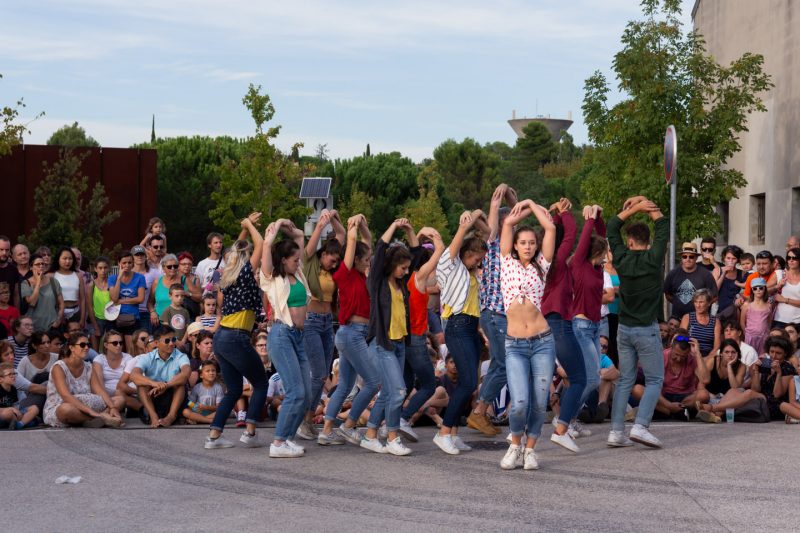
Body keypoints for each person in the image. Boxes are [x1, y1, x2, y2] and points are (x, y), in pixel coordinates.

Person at [496, 198, 557, 469]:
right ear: (515, 245)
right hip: (515, 345)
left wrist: (533, 205)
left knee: (540, 402)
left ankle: (530, 449)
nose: (528, 247)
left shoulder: (542, 264)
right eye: (523, 242)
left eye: (532, 242)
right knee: (519, 402)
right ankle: (515, 445)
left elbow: (551, 228)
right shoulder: (506, 261)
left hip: (542, 341)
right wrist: (523, 207)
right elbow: (508, 222)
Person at [204, 213, 269, 449]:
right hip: (236, 337)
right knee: (261, 384)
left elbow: (233, 250)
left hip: (221, 337)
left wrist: (244, 227)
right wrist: (249, 224)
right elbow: (261, 243)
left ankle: (214, 437)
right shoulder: (244, 273)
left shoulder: (227, 277)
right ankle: (250, 433)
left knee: (233, 390)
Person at [607, 195, 668, 448]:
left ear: (630, 242)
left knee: (625, 380)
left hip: (623, 329)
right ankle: (641, 426)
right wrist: (647, 205)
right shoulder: (654, 259)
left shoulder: (621, 258)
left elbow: (612, 227)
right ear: (648, 241)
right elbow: (663, 225)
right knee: (654, 380)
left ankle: (616, 432)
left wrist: (633, 209)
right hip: (646, 329)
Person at [360, 217, 423, 456]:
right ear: (391, 265)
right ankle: (393, 437)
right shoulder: (377, 282)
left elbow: (416, 253)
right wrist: (394, 226)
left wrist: (410, 230)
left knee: (388, 392)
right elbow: (380, 248)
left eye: (407, 268)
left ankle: (370, 435)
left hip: (400, 343)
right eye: (402, 267)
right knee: (398, 391)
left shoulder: (401, 282)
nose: (406, 271)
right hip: (383, 344)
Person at [317, 215, 379, 445]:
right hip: (352, 333)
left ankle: (326, 432)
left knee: (344, 385)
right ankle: (349, 424)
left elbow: (367, 240)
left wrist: (362, 223)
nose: (369, 263)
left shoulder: (361, 277)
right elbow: (352, 243)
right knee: (373, 382)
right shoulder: (345, 274)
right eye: (366, 260)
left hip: (352, 334)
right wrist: (351, 227)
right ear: (356, 259)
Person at [434, 209, 489, 456]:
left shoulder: (469, 273)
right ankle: (444, 432)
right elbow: (455, 245)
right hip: (457, 326)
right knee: (467, 382)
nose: (479, 263)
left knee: (468, 384)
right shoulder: (451, 266)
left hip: (471, 327)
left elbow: (488, 233)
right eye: (476, 259)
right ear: (466, 254)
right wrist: (467, 222)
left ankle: (453, 434)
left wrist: (481, 216)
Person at [260, 217, 312, 458]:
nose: (298, 262)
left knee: (306, 394)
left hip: (298, 336)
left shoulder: (297, 273)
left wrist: (292, 229)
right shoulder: (273, 279)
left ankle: (288, 438)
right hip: (282, 335)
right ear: (283, 260)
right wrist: (278, 224)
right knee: (295, 391)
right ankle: (278, 442)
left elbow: (299, 238)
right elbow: (266, 248)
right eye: (294, 259)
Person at [468, 183, 517, 436]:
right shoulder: (493, 244)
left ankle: (481, 412)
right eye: (509, 224)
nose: (513, 228)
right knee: (504, 364)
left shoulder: (511, 247)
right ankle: (479, 411)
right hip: (495, 314)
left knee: (502, 363)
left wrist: (508, 192)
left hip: (500, 315)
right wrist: (495, 203)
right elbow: (492, 224)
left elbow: (516, 209)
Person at [298, 208, 345, 441]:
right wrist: (321, 224)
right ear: (323, 253)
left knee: (323, 373)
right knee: (317, 375)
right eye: (332, 260)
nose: (334, 265)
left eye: (337, 262)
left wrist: (334, 217)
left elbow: (342, 236)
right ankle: (303, 419)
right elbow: (309, 247)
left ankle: (305, 420)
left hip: (328, 322)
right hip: (311, 322)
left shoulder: (332, 266)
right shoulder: (310, 263)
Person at [398, 228, 446, 442]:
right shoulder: (419, 277)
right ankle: (402, 418)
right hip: (416, 339)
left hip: (405, 337)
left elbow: (411, 251)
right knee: (428, 385)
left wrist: (416, 234)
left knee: (406, 384)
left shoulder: (404, 278)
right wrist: (435, 237)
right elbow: (440, 250)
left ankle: (389, 421)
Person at [569, 204, 608, 439]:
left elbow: (601, 236)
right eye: (604, 251)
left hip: (594, 326)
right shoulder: (579, 266)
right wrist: (590, 219)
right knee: (592, 378)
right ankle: (566, 419)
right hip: (581, 327)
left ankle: (570, 420)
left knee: (589, 378)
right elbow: (585, 241)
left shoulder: (597, 268)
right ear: (597, 252)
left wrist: (599, 216)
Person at [43, 334, 124, 428]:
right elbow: (66, 396)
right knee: (65, 409)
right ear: (72, 348)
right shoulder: (59, 367)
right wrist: (91, 412)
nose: (86, 348)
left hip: (85, 403)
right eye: (82, 345)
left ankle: (95, 419)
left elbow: (99, 391)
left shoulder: (89, 366)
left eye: (88, 345)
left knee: (120, 400)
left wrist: (112, 407)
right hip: (64, 405)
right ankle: (101, 418)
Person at [131, 325, 190, 428]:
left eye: (173, 339)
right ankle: (153, 416)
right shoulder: (147, 357)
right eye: (167, 341)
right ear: (156, 343)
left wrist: (166, 385)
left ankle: (171, 416)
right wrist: (154, 383)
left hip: (173, 396)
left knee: (180, 384)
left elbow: (186, 373)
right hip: (154, 395)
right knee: (142, 386)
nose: (171, 343)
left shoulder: (181, 356)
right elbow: (133, 375)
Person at [654, 333, 710, 420]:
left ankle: (669, 411)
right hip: (664, 396)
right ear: (671, 347)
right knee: (638, 389)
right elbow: (652, 384)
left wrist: (698, 353)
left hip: (685, 398)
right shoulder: (662, 356)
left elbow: (705, 380)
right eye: (676, 354)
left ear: (688, 352)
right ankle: (674, 411)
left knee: (704, 395)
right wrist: (669, 405)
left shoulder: (692, 358)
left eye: (683, 356)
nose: (679, 359)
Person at [663, 242, 717, 321]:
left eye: (691, 257)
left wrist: (703, 307)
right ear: (681, 258)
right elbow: (667, 295)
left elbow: (714, 297)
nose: (687, 259)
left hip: (699, 321)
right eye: (684, 256)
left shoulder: (706, 274)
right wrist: (678, 303)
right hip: (677, 320)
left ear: (696, 258)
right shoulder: (672, 274)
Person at [697, 339, 746, 423]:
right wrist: (708, 394)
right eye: (726, 352)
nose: (730, 355)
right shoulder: (713, 361)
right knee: (701, 394)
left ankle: (714, 415)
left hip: (727, 400)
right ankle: (711, 414)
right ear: (721, 353)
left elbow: (735, 387)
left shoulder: (741, 366)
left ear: (737, 354)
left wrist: (729, 366)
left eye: (733, 352)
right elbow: (701, 384)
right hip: (710, 397)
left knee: (739, 391)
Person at [108, 252, 146, 354]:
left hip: (132, 317)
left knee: (131, 350)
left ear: (133, 263)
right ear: (119, 263)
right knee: (116, 350)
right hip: (116, 317)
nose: (127, 265)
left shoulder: (140, 277)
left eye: (129, 262)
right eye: (124, 263)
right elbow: (114, 298)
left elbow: (140, 299)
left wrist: (122, 301)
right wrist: (119, 279)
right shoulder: (112, 278)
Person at [21, 254, 63, 332]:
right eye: (38, 264)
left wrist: (58, 320)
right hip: (33, 327)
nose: (41, 266)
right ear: (31, 267)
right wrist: (38, 281)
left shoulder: (53, 282)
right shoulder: (26, 284)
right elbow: (32, 303)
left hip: (52, 326)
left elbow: (61, 304)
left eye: (43, 264)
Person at [50, 247, 86, 327]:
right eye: (64, 258)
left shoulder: (78, 275)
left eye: (70, 258)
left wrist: (82, 318)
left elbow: (83, 299)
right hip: (58, 313)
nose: (67, 261)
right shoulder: (52, 275)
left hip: (75, 312)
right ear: (58, 259)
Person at [679, 289, 721, 357]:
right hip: (689, 354)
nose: (698, 305)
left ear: (709, 303)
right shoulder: (687, 318)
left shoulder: (715, 321)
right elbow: (680, 338)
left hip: (708, 356)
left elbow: (717, 347)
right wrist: (690, 341)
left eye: (701, 302)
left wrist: (706, 359)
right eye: (696, 302)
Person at [92, 330, 133, 398]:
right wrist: (106, 397)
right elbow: (99, 383)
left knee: (121, 394)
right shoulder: (99, 359)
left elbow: (129, 380)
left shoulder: (128, 358)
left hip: (124, 392)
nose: (118, 345)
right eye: (115, 343)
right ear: (106, 345)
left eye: (120, 343)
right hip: (105, 392)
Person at [0, 362, 39, 429]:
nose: (13, 376)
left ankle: (19, 424)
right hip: (3, 415)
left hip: (13, 414)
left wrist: (18, 412)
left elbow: (15, 405)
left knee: (34, 408)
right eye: (9, 374)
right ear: (0, 379)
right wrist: (11, 409)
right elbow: (11, 409)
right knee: (8, 413)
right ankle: (26, 421)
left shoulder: (13, 389)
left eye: (14, 373)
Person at [740, 277, 772, 355]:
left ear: (764, 289)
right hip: (750, 337)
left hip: (764, 337)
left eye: (761, 288)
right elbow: (742, 322)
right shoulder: (747, 305)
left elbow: (769, 321)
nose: (758, 290)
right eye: (755, 288)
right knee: (749, 357)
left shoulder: (769, 306)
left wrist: (767, 332)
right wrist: (746, 333)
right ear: (752, 290)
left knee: (762, 357)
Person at [132, 245, 159, 333]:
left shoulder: (154, 272)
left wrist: (153, 311)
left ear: (146, 256)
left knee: (147, 338)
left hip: (147, 312)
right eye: (137, 255)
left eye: (142, 254)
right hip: (131, 311)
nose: (139, 256)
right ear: (132, 257)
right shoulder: (128, 273)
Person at [148, 254, 182, 324]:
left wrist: (189, 294)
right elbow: (150, 302)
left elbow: (198, 296)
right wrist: (152, 312)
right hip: (159, 322)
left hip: (179, 321)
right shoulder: (157, 282)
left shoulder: (183, 280)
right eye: (169, 267)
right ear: (163, 268)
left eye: (175, 266)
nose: (173, 268)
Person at [715, 245, 747, 320]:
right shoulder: (717, 271)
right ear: (724, 258)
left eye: (734, 258)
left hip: (735, 311)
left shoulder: (742, 273)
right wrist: (723, 273)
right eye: (728, 258)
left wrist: (741, 297)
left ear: (738, 260)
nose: (731, 261)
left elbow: (746, 291)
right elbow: (714, 290)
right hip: (720, 310)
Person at [86, 256, 111, 350]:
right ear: (95, 269)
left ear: (108, 268)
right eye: (100, 268)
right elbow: (90, 306)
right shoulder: (91, 285)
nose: (103, 271)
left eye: (105, 268)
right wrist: (95, 325)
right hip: (97, 319)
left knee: (109, 347)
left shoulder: (112, 283)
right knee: (95, 350)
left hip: (111, 318)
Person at [772, 247, 800, 328]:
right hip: (780, 319)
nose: (791, 260)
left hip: (798, 322)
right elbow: (764, 290)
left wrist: (784, 300)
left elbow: (781, 299)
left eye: (794, 258)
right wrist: (777, 286)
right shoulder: (779, 274)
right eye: (788, 257)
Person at [177, 252, 203, 320]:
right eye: (184, 264)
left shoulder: (195, 279)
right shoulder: (175, 278)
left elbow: (200, 297)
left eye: (189, 264)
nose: (187, 266)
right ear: (178, 265)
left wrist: (189, 294)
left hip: (191, 313)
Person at [0, 236, 21, 309]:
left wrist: (17, 313)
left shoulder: (14, 270)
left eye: (7, 250)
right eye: (1, 249)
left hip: (10, 313)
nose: (4, 253)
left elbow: (16, 295)